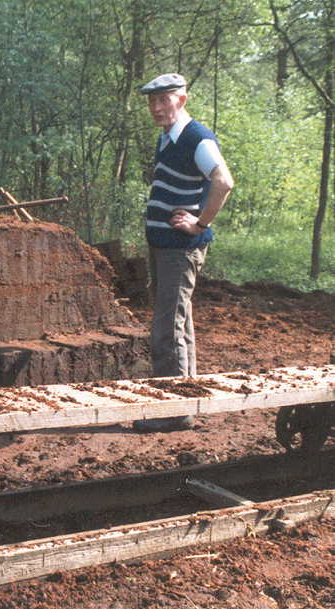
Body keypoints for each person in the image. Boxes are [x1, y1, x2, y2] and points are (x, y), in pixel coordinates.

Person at [133, 73, 234, 432]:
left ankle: (172, 411)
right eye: (152, 102)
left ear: (183, 99)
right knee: (179, 322)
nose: (158, 108)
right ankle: (186, 398)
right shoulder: (167, 138)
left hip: (180, 248)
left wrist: (200, 223)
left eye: (166, 100)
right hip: (164, 245)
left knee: (166, 328)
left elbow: (224, 181)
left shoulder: (197, 138)